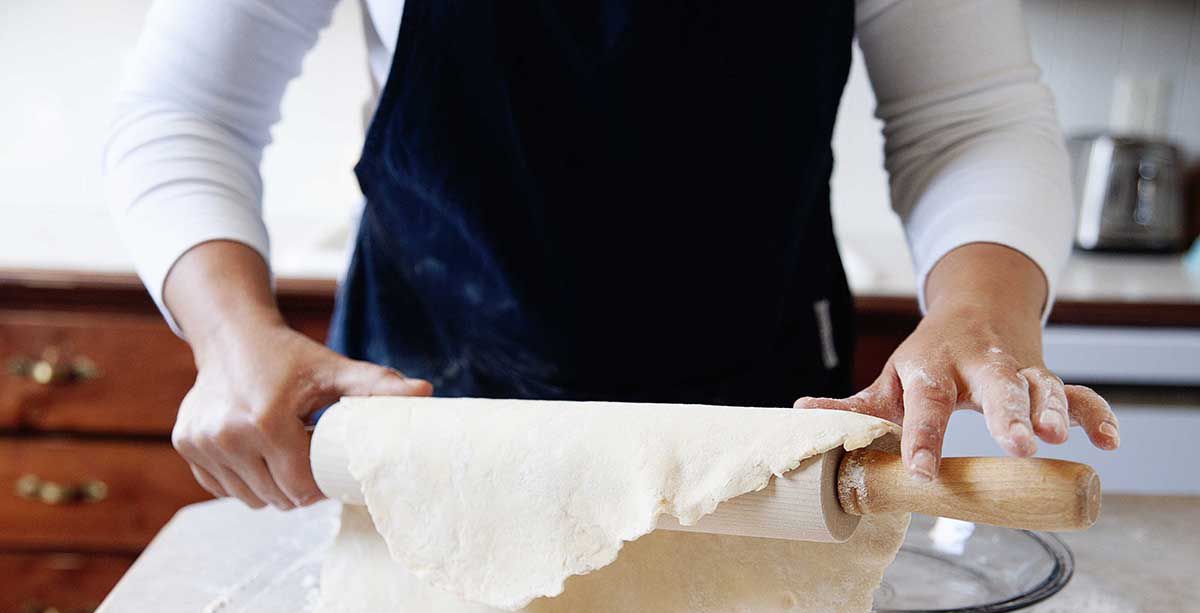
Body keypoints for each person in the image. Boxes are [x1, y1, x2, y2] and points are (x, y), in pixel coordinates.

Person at [105, 0, 1119, 511]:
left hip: (755, 413)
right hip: (427, 406)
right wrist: (231, 333)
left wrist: (985, 305)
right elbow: (187, 109)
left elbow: (968, 115)